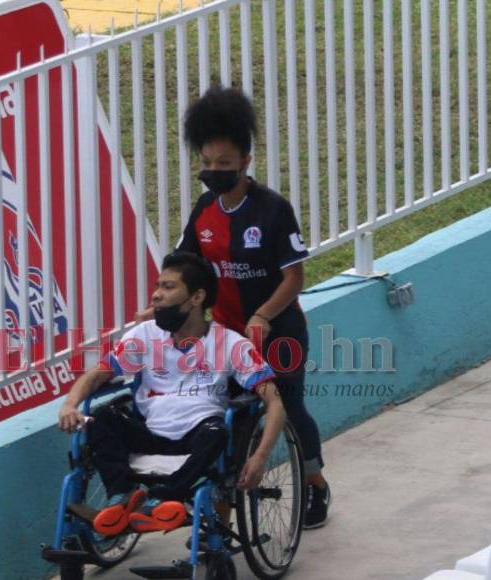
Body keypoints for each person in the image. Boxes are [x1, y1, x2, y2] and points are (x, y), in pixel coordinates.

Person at [139, 86, 331, 528]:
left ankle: (315, 482)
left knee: (288, 406)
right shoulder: (205, 209)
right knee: (223, 417)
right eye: (206, 163)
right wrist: (162, 305)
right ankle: (221, 512)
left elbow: (294, 277)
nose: (213, 171)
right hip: (225, 336)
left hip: (278, 330)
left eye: (223, 164)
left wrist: (262, 314)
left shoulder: (273, 211)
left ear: (245, 160)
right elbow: (186, 265)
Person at [58, 251, 286, 536]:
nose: (156, 295)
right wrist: (70, 404)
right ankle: (122, 497)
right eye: (157, 286)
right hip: (149, 433)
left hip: (197, 438)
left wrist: (260, 457)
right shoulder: (144, 335)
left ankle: (167, 498)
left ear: (196, 297)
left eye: (168, 287)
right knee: (102, 418)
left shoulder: (230, 344)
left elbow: (275, 402)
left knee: (218, 432)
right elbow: (96, 375)